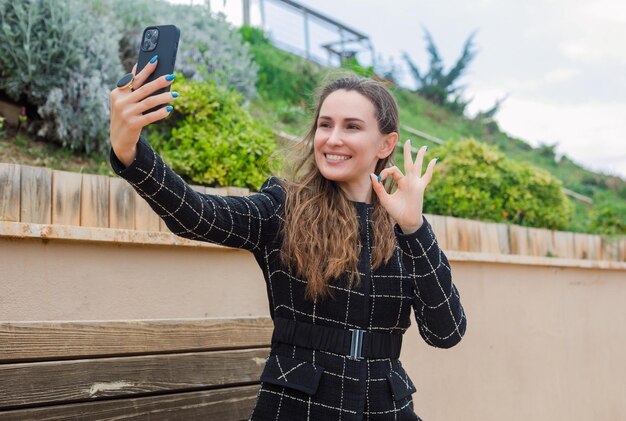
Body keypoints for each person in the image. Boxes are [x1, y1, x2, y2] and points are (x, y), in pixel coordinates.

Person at [109, 58, 467, 420]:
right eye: (325, 125)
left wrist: (414, 228)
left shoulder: (404, 228)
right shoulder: (283, 206)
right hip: (299, 407)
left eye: (352, 127)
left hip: (387, 408)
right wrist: (131, 154)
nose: (333, 138)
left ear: (385, 144)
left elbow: (446, 332)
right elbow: (197, 215)